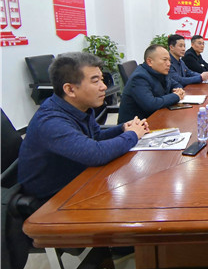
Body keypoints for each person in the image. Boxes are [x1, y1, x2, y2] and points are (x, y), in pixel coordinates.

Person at [18, 52, 149, 200]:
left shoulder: (79, 107)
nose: (103, 86)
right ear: (70, 90)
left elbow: (96, 136)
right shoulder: (51, 122)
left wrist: (123, 128)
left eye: (101, 79)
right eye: (95, 81)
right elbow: (96, 154)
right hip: (53, 199)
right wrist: (132, 134)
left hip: (79, 178)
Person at [118, 45, 185, 123]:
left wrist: (178, 90)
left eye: (169, 60)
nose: (169, 64)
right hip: (136, 126)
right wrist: (176, 96)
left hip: (156, 118)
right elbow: (151, 104)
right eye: (165, 60)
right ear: (150, 62)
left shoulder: (160, 71)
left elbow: (175, 84)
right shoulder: (139, 78)